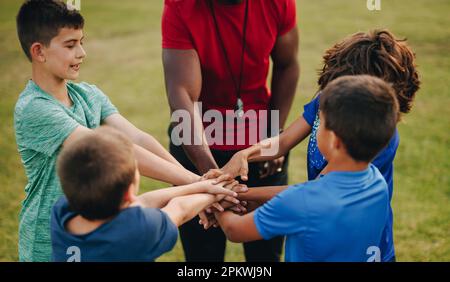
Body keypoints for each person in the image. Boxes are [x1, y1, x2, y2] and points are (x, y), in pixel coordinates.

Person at [14, 0, 228, 261]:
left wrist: (191, 181)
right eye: (70, 45)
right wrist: (198, 184)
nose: (81, 52)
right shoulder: (35, 108)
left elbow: (137, 138)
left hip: (106, 226)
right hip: (52, 242)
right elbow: (115, 152)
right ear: (39, 51)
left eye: (82, 42)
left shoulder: (88, 94)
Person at [217, 29, 420, 261]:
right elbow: (283, 142)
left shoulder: (372, 138)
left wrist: (231, 195)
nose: (320, 108)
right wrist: (244, 155)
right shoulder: (333, 101)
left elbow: (315, 194)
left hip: (354, 240)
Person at [162, 0, 299, 262]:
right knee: (203, 258)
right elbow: (182, 95)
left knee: (266, 257)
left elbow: (287, 64)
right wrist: (213, 177)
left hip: (260, 149)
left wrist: (273, 137)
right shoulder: (181, 5)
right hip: (197, 147)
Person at [51, 127, 243, 262]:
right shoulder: (139, 230)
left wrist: (203, 185)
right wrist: (219, 192)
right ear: (128, 193)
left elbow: (141, 203)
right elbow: (180, 209)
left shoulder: (61, 214)